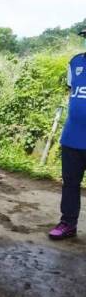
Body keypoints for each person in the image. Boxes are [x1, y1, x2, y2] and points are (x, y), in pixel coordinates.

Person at [49, 28, 86, 240]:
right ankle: (68, 224)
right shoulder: (75, 63)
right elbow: (72, 92)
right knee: (70, 184)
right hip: (72, 137)